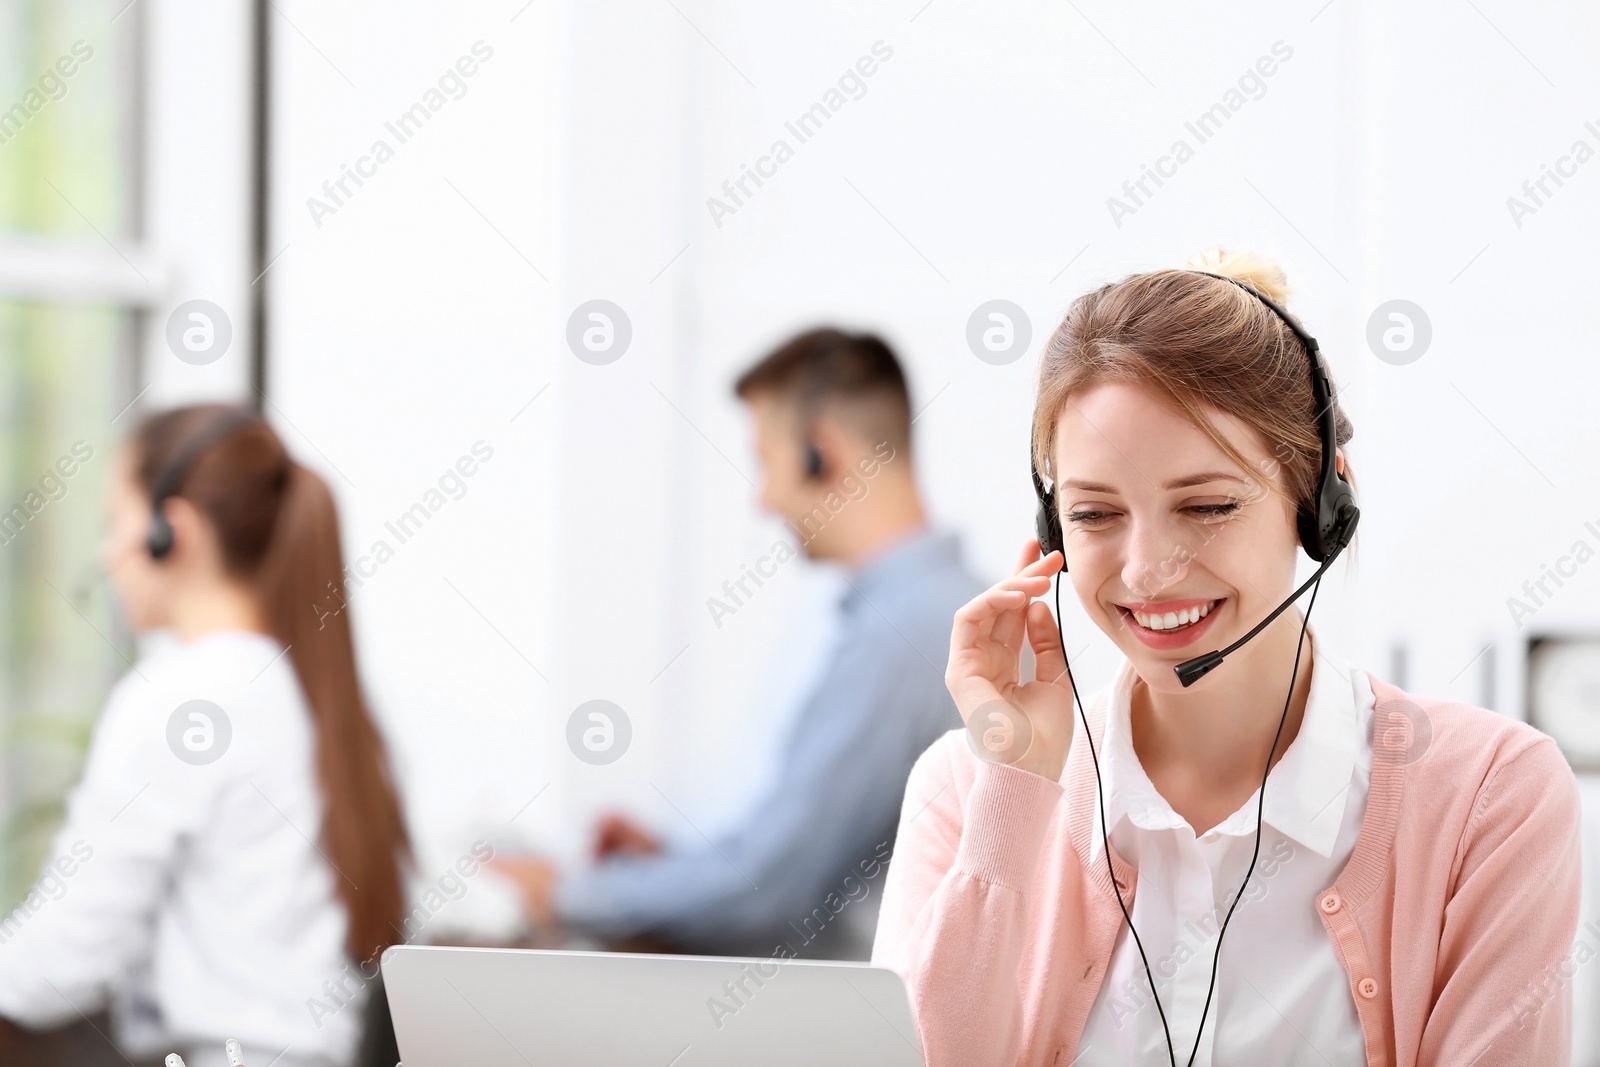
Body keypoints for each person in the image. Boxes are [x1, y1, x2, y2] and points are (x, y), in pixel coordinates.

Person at [871, 249, 1583, 1066]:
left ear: (1319, 502)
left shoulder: (1490, 796)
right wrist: (1017, 788)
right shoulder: (967, 792)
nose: (1145, 569)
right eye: (1096, 514)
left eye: (1206, 504)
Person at [493, 328, 987, 960]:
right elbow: (797, 850)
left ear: (821, 453)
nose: (763, 500)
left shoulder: (904, 632)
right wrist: (673, 863)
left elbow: (768, 891)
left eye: (764, 461)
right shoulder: (935, 609)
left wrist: (566, 895)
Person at [0, 404, 411, 1067]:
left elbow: (70, 950)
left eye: (116, 524)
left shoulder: (181, 696)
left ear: (171, 532)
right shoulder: (318, 693)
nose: (107, 554)